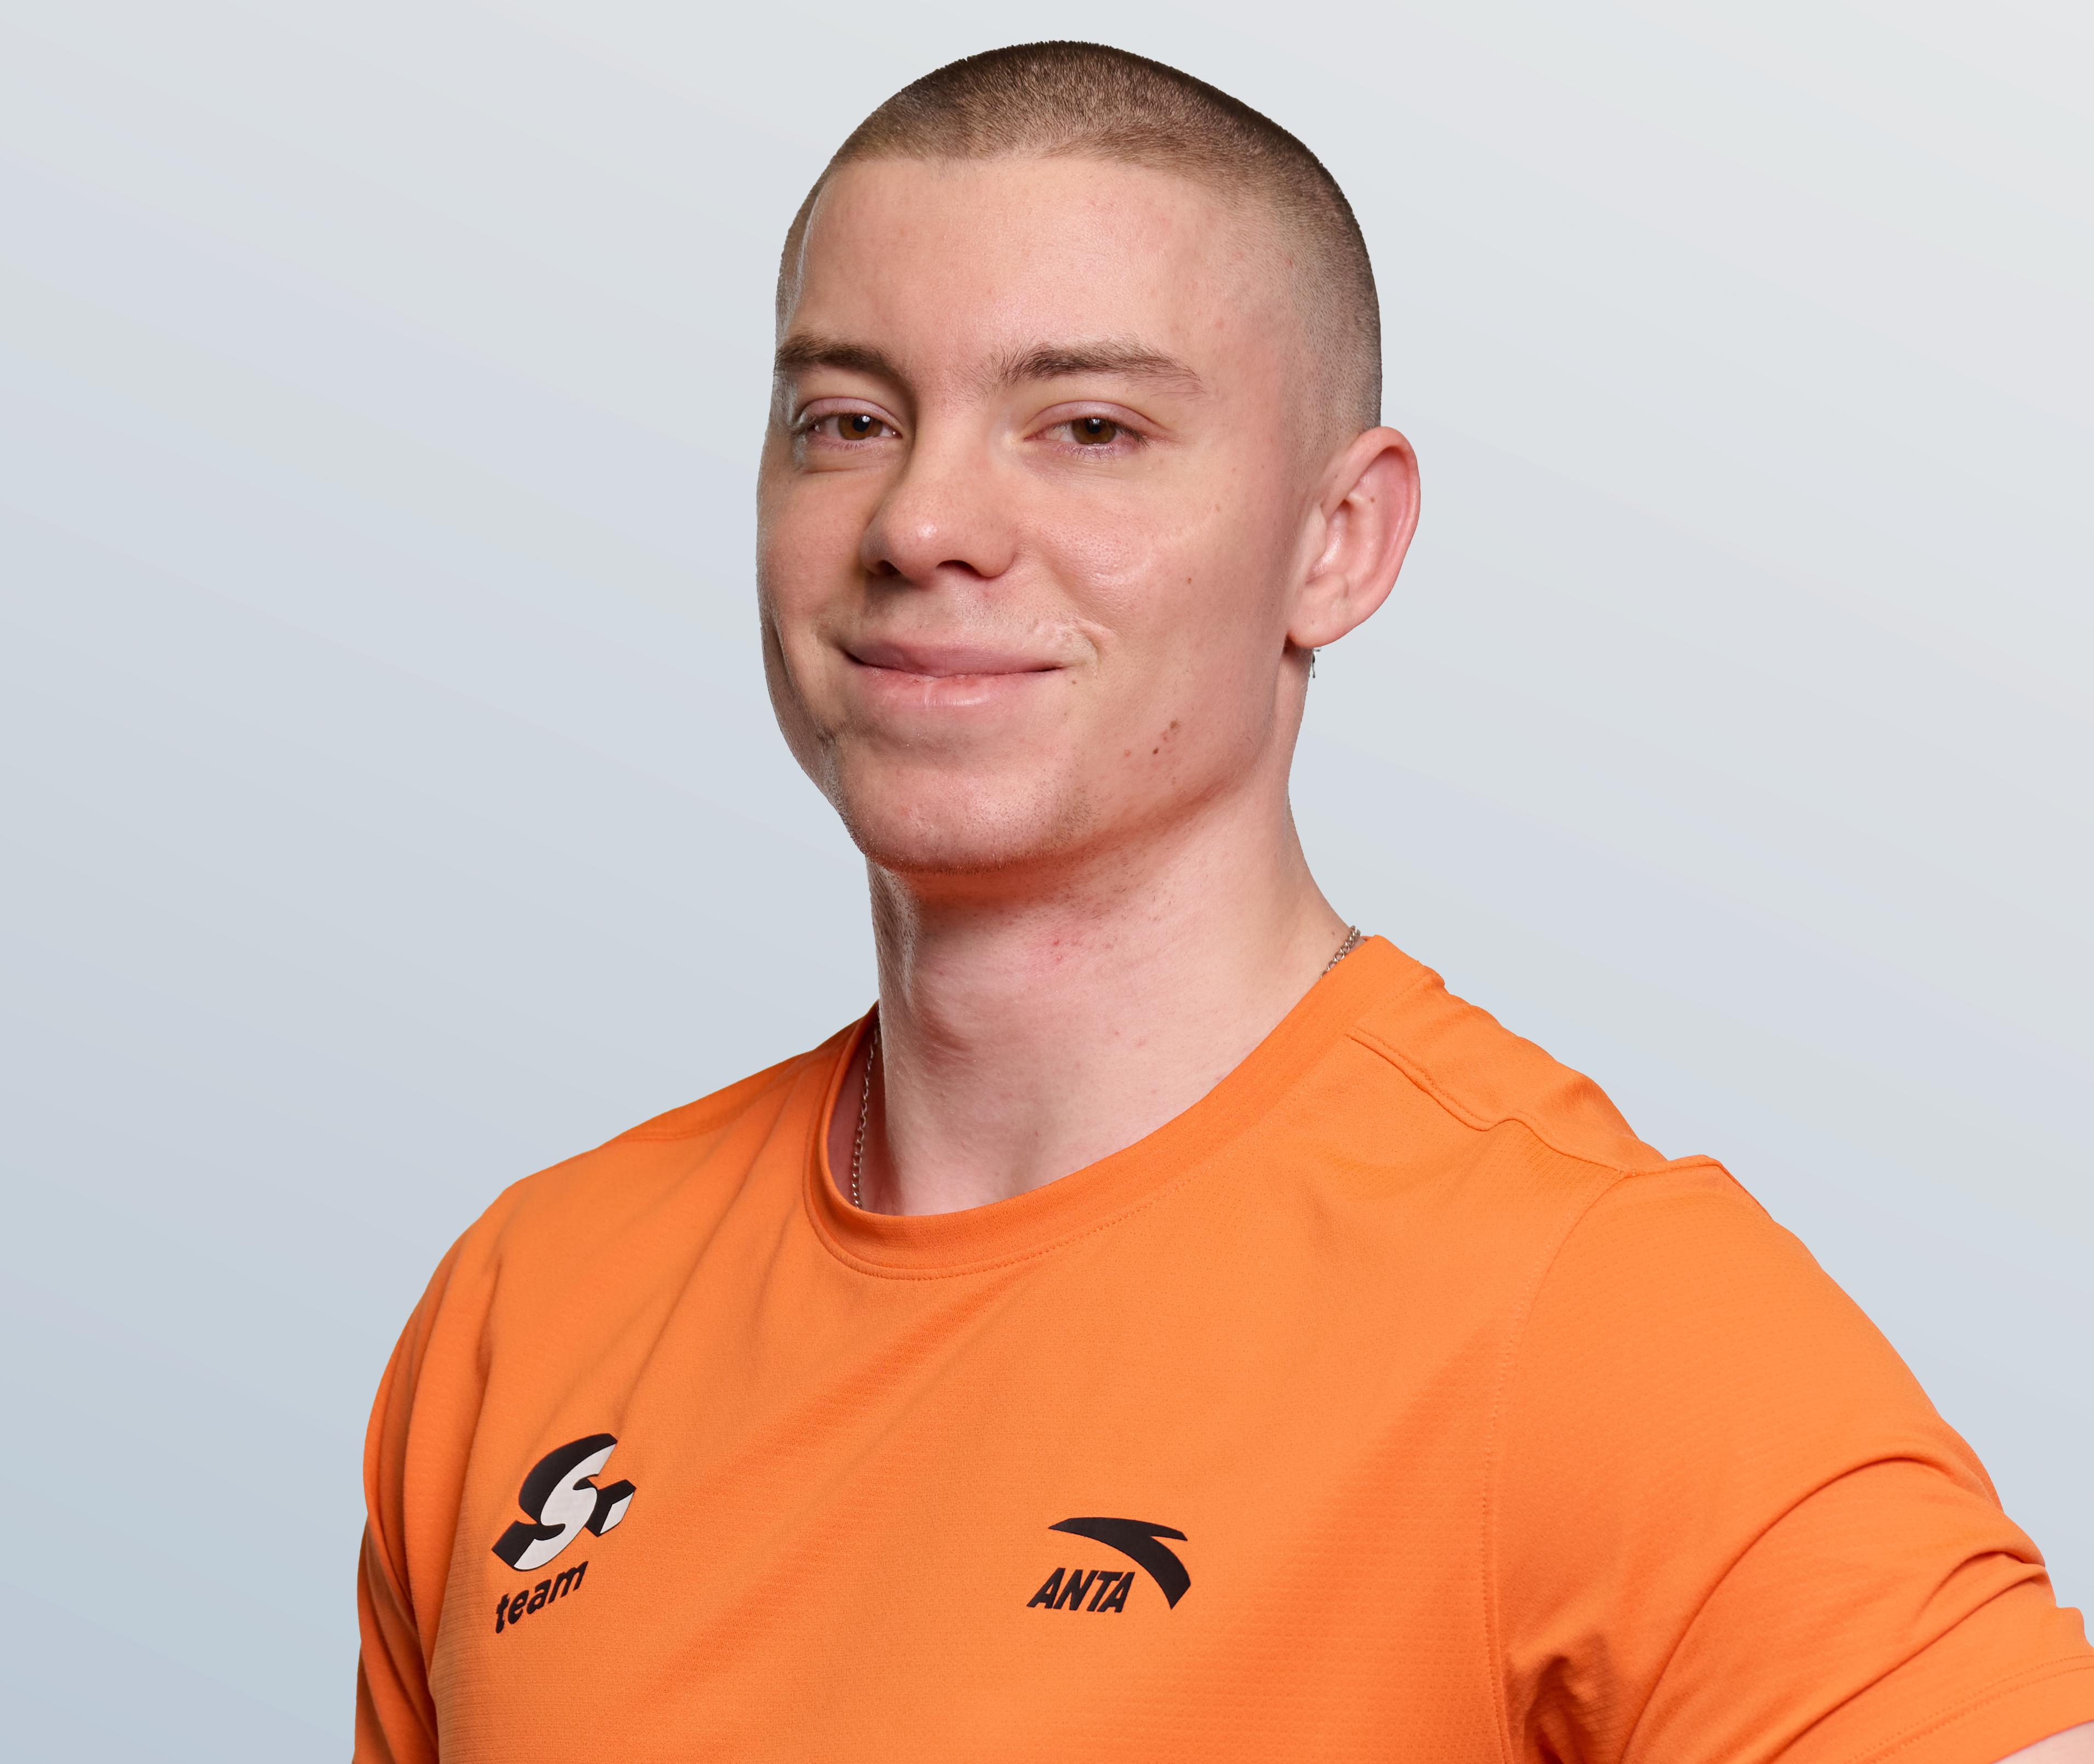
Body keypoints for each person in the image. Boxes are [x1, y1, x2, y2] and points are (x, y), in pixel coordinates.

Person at [353, 41, 2094, 1763]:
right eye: (849, 421)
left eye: (1088, 428)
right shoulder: (534, 1301)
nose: (924, 520)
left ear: (1339, 539)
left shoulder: (1588, 1311)